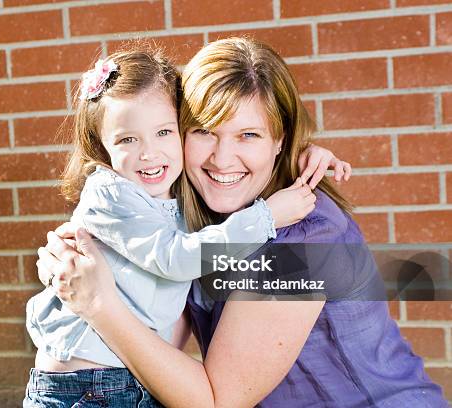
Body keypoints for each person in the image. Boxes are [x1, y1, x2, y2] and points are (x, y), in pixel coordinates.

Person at [41, 38, 447, 407]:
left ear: (280, 139)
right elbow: (164, 327)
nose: (222, 158)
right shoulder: (195, 217)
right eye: (203, 131)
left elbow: (217, 402)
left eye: (248, 135)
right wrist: (80, 266)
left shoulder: (303, 240)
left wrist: (97, 304)